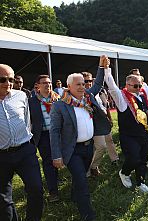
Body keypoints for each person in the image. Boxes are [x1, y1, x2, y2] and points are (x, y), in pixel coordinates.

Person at [50, 55, 111, 221]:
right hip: (73, 150)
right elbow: (54, 131)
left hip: (88, 147)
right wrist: (56, 155)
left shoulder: (88, 97)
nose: (82, 87)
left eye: (84, 84)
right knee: (82, 181)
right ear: (68, 86)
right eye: (78, 84)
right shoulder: (60, 105)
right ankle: (88, 215)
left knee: (80, 174)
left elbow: (97, 84)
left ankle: (73, 195)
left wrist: (101, 67)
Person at [104, 64, 148, 193]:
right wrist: (107, 69)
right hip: (129, 135)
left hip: (144, 134)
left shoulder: (142, 94)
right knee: (133, 159)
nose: (138, 88)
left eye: (140, 85)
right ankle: (124, 173)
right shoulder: (122, 98)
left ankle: (141, 182)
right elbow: (113, 88)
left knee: (143, 159)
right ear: (127, 86)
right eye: (135, 86)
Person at [0, 64, 43, 221]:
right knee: (3, 199)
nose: (8, 83)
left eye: (11, 79)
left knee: (36, 189)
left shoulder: (21, 96)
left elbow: (27, 120)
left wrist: (31, 144)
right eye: (2, 79)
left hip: (25, 151)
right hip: (1, 156)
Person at [29, 75, 60, 203]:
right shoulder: (32, 102)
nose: (48, 85)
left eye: (49, 83)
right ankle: (53, 191)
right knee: (48, 162)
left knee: (57, 158)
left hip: (57, 134)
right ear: (38, 86)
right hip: (43, 136)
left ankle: (55, 179)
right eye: (44, 83)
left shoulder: (57, 99)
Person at [82, 72, 119, 177]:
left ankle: (112, 160)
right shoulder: (80, 95)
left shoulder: (100, 92)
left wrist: (109, 118)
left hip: (103, 121)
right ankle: (91, 168)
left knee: (107, 142)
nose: (88, 83)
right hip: (91, 125)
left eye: (90, 81)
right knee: (98, 147)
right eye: (85, 81)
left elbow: (105, 106)